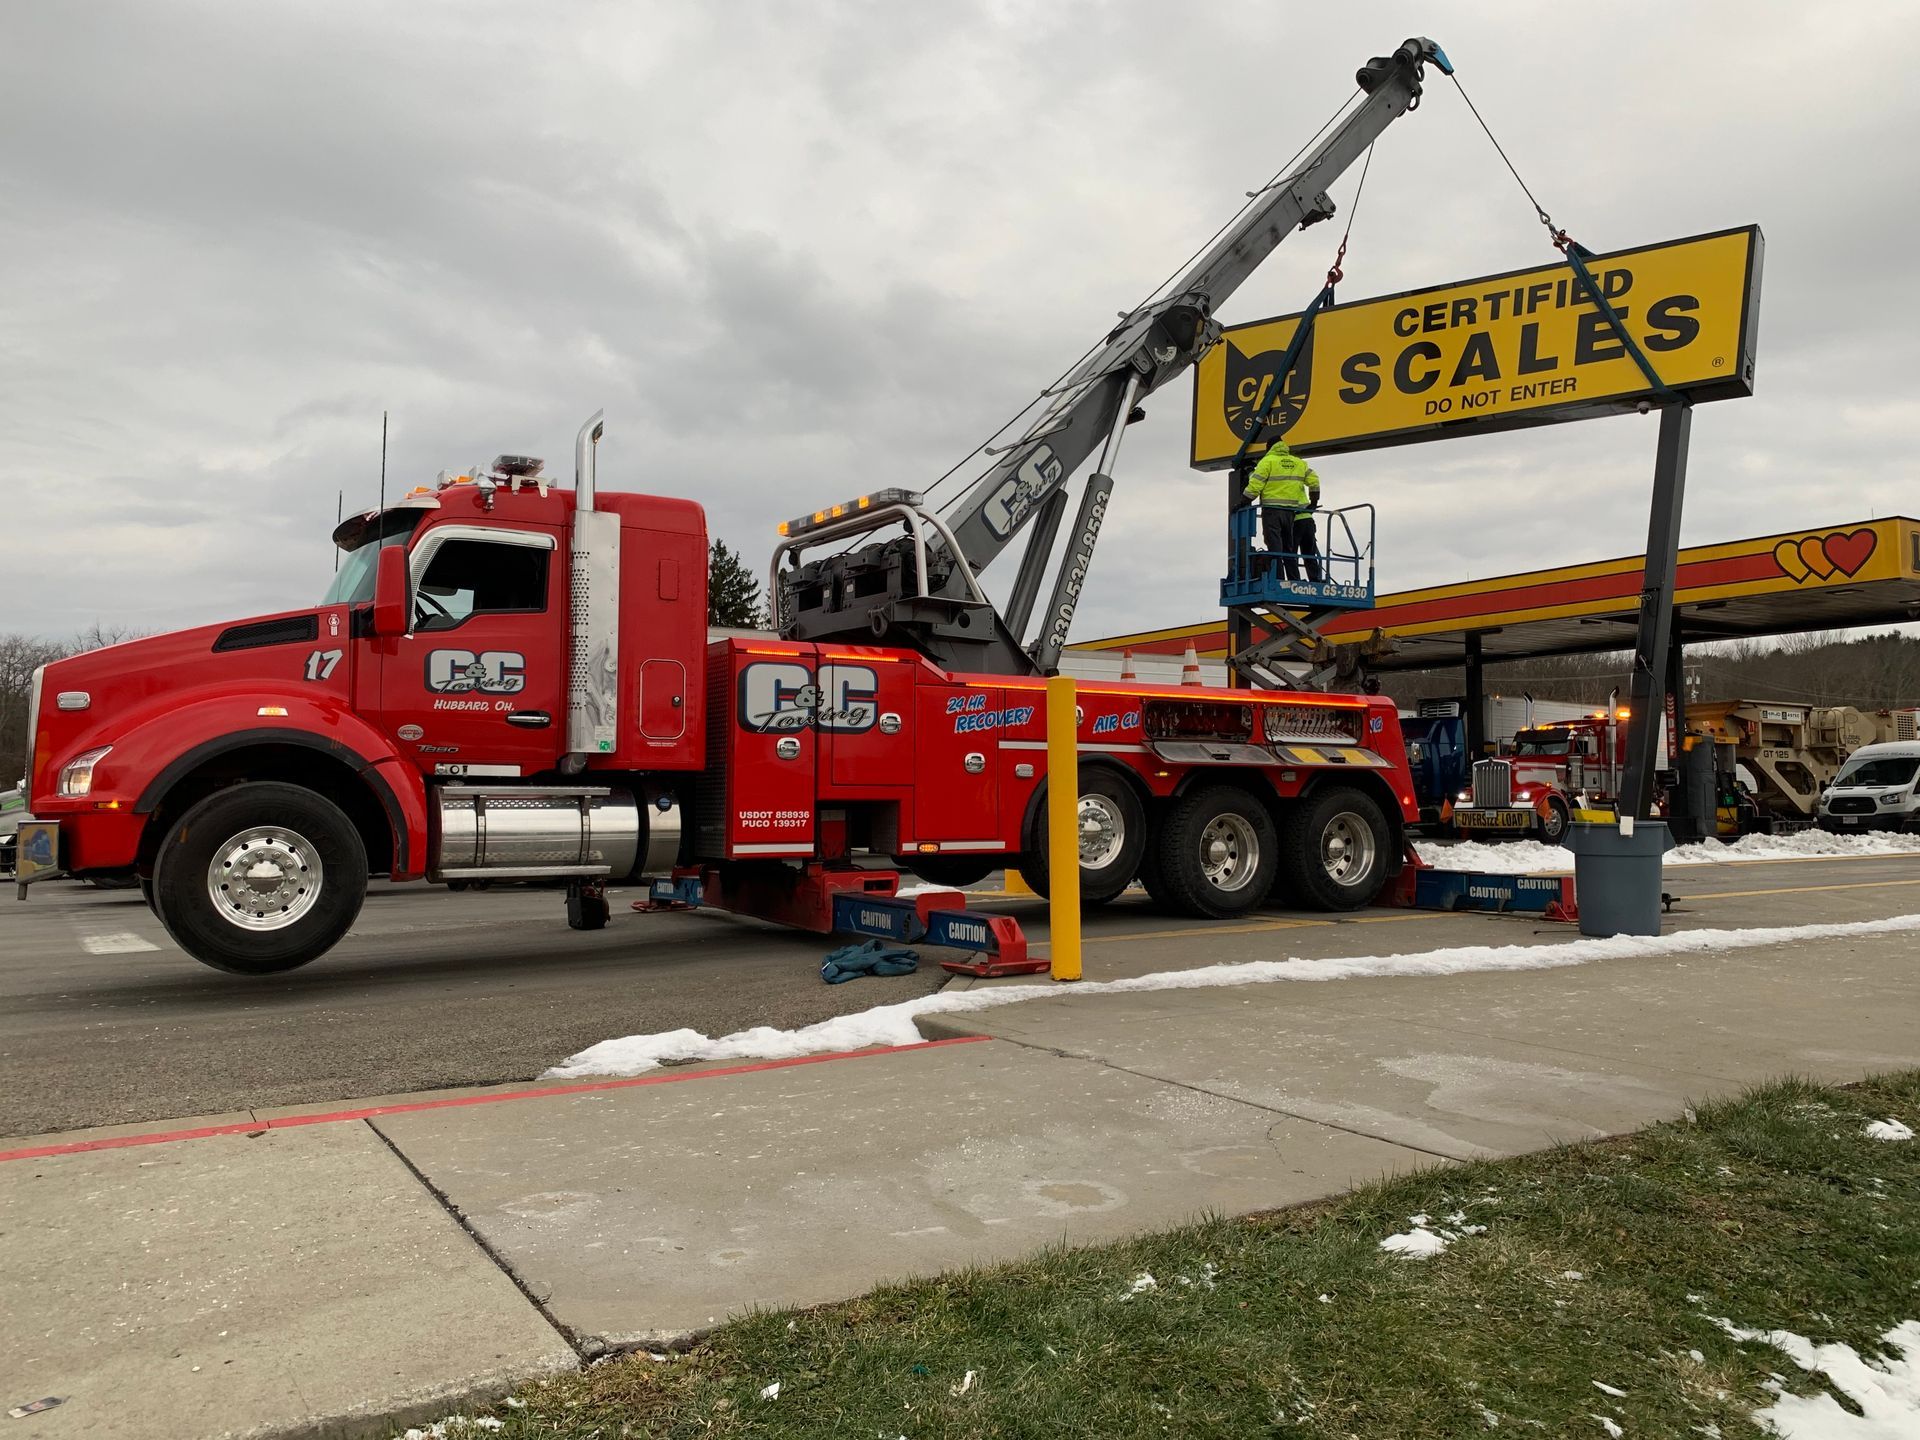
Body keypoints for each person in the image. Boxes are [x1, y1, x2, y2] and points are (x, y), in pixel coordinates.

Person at [1242, 440, 1322, 583]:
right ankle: (1304, 580)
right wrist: (1314, 501)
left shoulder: (1268, 461)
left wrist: (1244, 501)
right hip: (1292, 513)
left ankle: (1279, 579)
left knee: (1275, 547)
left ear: (1269, 448)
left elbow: (1256, 481)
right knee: (1293, 549)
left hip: (1273, 510)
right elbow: (1314, 479)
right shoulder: (1298, 463)